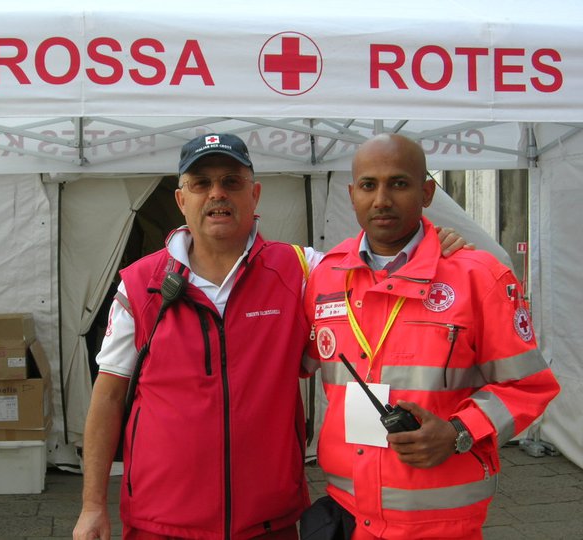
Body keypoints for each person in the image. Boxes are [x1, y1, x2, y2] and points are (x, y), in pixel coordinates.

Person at [73, 133, 468, 540]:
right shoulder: (140, 285)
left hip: (267, 522)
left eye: (231, 181)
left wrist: (434, 249)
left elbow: (377, 275)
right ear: (181, 200)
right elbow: (108, 397)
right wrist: (91, 506)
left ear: (255, 194)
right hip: (160, 522)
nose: (217, 194)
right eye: (201, 183)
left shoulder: (303, 271)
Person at [303, 133, 560, 540]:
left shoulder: (479, 278)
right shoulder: (326, 278)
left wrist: (459, 431)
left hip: (439, 523)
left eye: (399, 183)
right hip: (349, 515)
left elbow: (528, 387)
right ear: (352, 195)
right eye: (369, 185)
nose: (382, 199)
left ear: (426, 191)